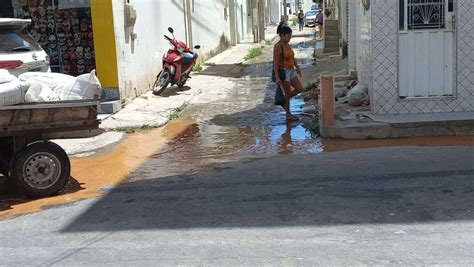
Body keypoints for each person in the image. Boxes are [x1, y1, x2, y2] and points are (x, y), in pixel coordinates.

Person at [273, 23, 304, 121]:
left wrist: (297, 67)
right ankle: (288, 114)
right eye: (288, 36)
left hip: (291, 70)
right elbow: (276, 63)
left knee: (299, 88)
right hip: (284, 72)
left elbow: (292, 56)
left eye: (290, 36)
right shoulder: (278, 46)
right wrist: (277, 77)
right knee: (287, 93)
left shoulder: (287, 44)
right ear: (282, 35)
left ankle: (283, 101)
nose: (290, 38)